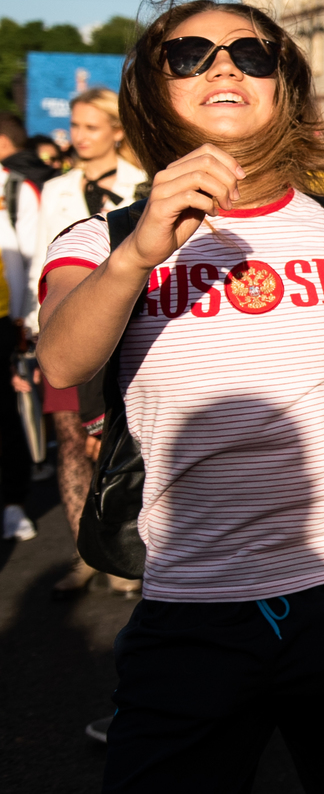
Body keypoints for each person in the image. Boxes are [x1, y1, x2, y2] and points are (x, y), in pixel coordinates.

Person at [36, 0, 324, 789]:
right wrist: (140, 251)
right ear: (151, 89)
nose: (224, 65)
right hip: (195, 592)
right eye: (190, 55)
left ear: (283, 84)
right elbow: (62, 361)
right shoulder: (102, 239)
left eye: (253, 54)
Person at [29, 88, 147, 596]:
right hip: (67, 327)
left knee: (124, 436)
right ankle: (86, 555)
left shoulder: (144, 183)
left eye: (90, 126)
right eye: (74, 126)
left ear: (116, 130)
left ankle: (124, 549)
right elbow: (42, 260)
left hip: (124, 325)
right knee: (72, 441)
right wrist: (38, 330)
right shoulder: (55, 189)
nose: (77, 136)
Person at [0, 113, 42, 542]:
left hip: (2, 321)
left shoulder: (13, 187)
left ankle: (13, 503)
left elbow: (32, 258)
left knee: (7, 419)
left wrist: (26, 320)